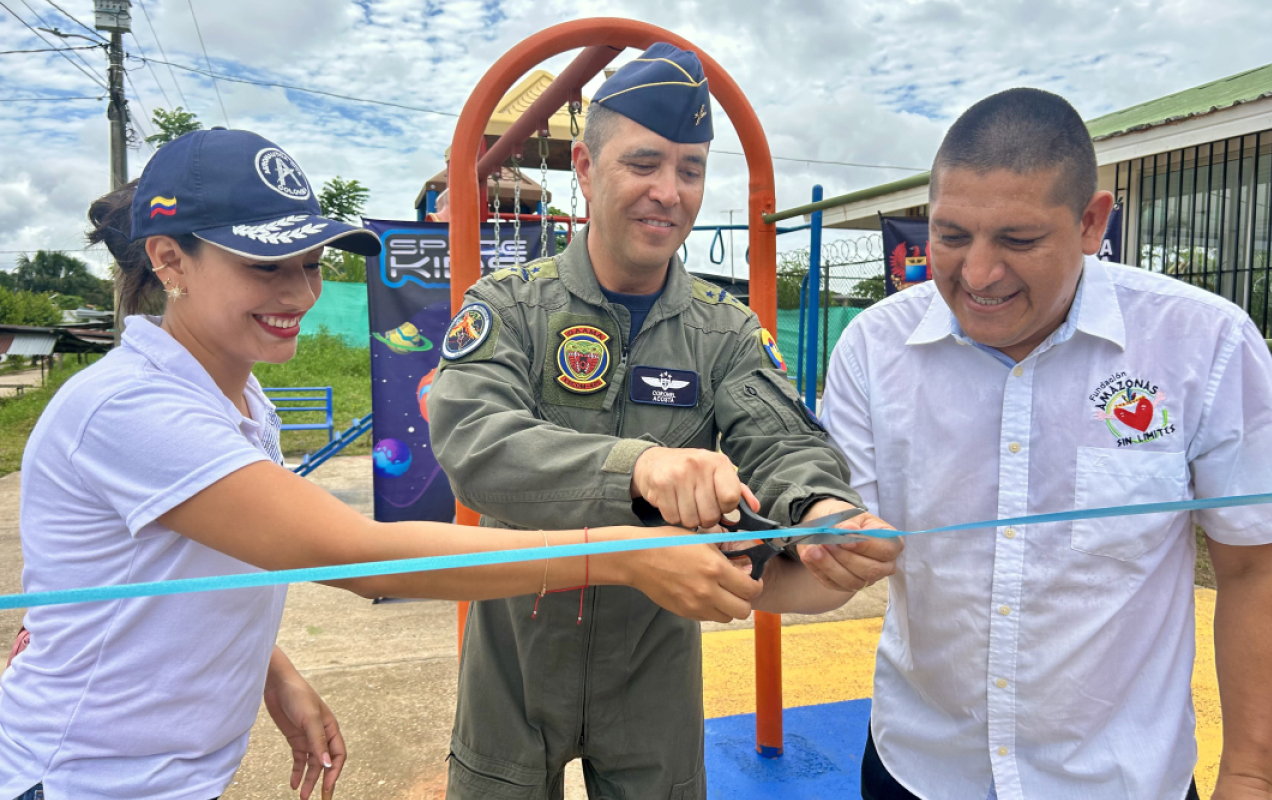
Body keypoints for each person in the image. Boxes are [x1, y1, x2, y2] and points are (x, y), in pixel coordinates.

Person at [0, 129, 763, 800]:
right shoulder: (132, 409)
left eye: (311, 262)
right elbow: (362, 558)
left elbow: (180, 574)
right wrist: (622, 556)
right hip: (81, 774)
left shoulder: (238, 399)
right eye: (267, 267)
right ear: (170, 260)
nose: (299, 291)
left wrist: (274, 673)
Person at [427, 43, 897, 800]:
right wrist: (641, 469)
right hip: (512, 665)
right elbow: (475, 446)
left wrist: (821, 508)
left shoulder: (724, 332)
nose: (669, 192)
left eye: (690, 169)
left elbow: (778, 440)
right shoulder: (509, 307)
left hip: (654, 670)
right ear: (584, 166)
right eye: (644, 163)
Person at [809, 88, 1272, 799]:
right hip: (922, 770)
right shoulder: (874, 350)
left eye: (1018, 240)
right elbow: (832, 547)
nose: (978, 274)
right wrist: (781, 538)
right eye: (951, 236)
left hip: (1120, 779)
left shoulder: (1203, 345)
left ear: (1093, 222)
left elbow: (1255, 569)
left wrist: (1247, 775)